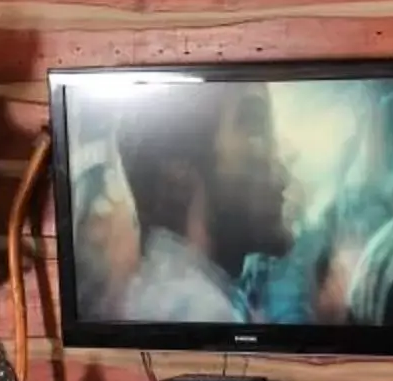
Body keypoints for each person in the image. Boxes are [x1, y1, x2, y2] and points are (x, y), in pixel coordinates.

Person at [110, 83, 294, 323]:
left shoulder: (164, 292)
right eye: (254, 126)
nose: (282, 174)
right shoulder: (202, 313)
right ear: (178, 171)